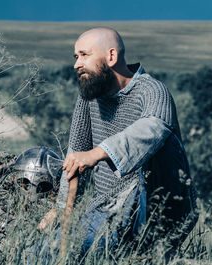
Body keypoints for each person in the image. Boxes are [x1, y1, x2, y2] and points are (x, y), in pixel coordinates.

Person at [36, 27, 198, 261]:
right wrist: (62, 208)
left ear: (111, 56)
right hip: (106, 208)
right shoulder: (89, 96)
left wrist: (99, 153)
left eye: (84, 55)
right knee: (41, 253)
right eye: (75, 57)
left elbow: (154, 127)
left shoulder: (152, 90)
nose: (76, 64)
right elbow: (76, 154)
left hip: (156, 210)